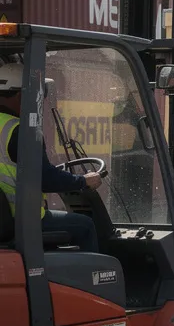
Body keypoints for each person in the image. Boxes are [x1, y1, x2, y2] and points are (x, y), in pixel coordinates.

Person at [0, 63, 103, 252]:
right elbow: (45, 179)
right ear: (22, 95)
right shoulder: (20, 131)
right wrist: (83, 181)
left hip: (4, 218)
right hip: (21, 220)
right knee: (85, 226)